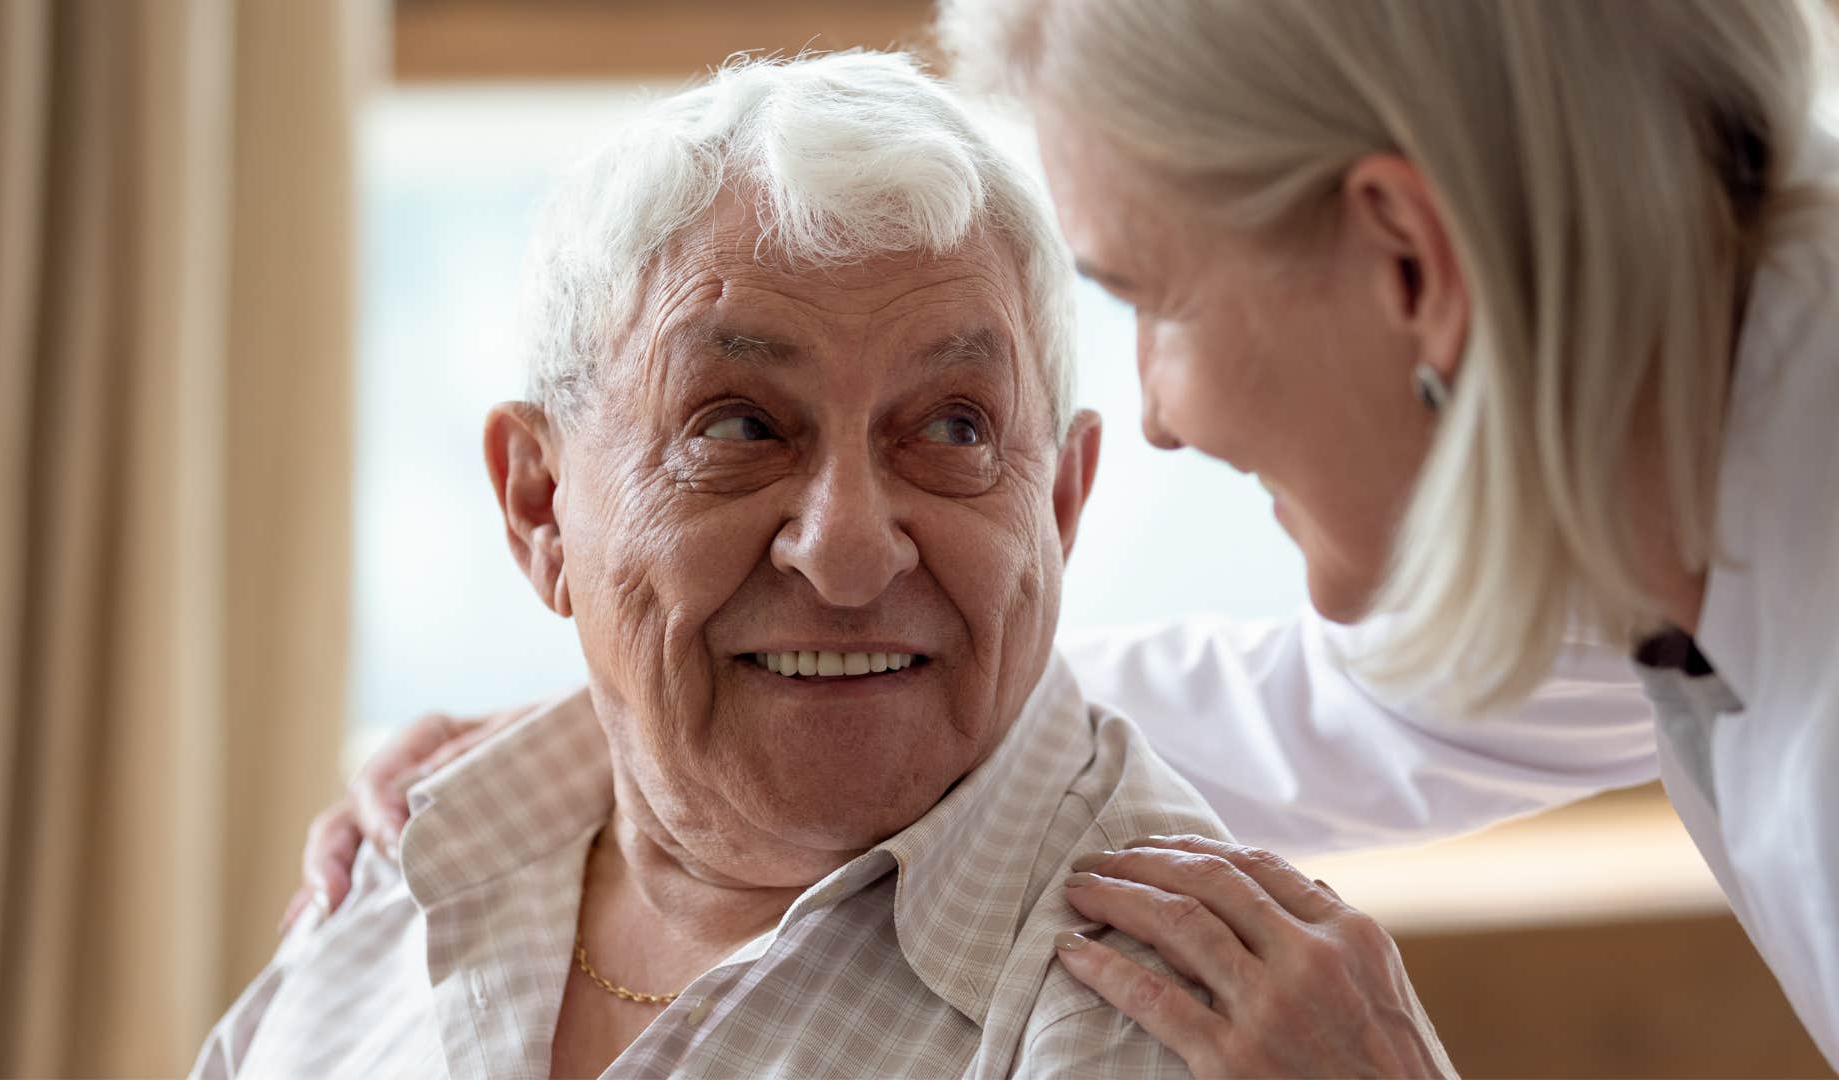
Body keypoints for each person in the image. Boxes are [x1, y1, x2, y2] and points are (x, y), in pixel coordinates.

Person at [299, 1, 1839, 1073]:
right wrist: (652, 709)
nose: (1162, 415)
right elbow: (1346, 710)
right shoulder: (1687, 517)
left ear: (1410, 265)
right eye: (741, 430)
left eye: (1153, 301)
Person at [197, 51, 1438, 1079]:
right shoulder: (402, 873)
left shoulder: (1158, 1026)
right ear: (538, 506)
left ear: (1060, 502)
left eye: (953, 428)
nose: (847, 551)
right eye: (738, 426)